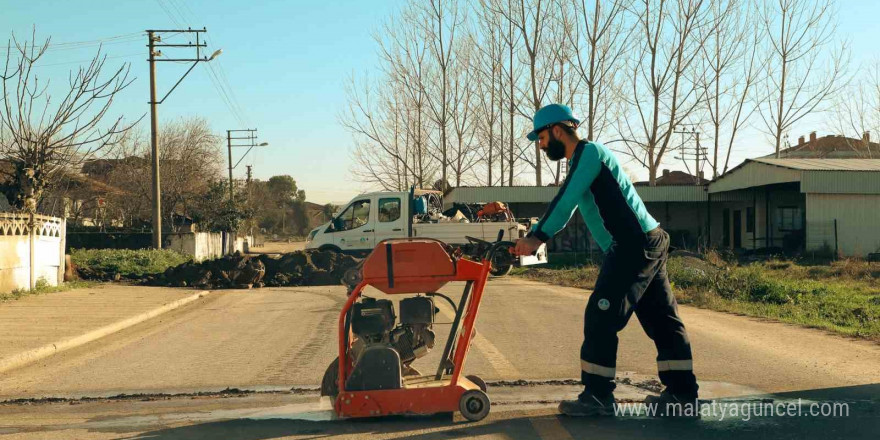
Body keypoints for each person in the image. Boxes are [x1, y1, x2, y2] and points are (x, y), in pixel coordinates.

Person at [513, 104, 699, 417]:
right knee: (662, 321)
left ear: (558, 130)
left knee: (601, 316)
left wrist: (537, 237)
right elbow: (570, 205)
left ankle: (597, 397)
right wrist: (536, 233)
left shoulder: (589, 152)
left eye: (541, 137)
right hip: (645, 242)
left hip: (633, 246)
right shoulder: (582, 161)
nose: (540, 144)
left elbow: (566, 199)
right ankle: (683, 395)